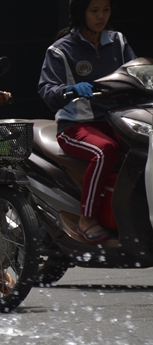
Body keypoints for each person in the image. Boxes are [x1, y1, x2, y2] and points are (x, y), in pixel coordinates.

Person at [38, 0, 136, 243]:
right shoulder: (61, 50)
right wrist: (69, 90)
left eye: (106, 9)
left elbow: (136, 73)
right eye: (94, 11)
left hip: (118, 122)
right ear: (80, 13)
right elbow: (47, 89)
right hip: (76, 126)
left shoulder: (118, 42)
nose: (101, 16)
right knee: (105, 150)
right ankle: (87, 219)